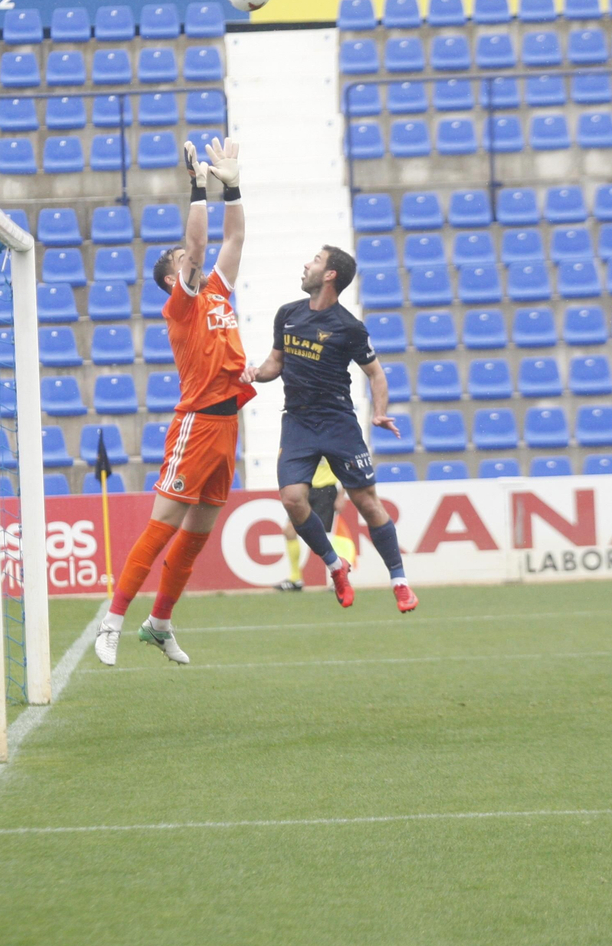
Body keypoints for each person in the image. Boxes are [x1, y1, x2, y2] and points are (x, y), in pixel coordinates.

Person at [94, 137, 253, 667]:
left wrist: (231, 186)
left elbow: (235, 236)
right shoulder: (182, 304)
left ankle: (159, 622)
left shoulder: (218, 292)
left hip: (227, 426)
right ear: (172, 277)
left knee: (196, 535)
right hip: (198, 423)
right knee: (162, 527)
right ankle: (112, 621)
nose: (194, 259)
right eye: (184, 260)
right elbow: (202, 244)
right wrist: (197, 185)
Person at [245, 246, 418, 613]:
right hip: (298, 421)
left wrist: (380, 413)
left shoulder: (349, 327)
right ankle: (335, 565)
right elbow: (275, 363)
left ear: (329, 276)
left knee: (366, 502)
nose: (306, 263)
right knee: (292, 499)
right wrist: (254, 374)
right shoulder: (288, 315)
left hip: (338, 422)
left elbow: (376, 373)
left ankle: (399, 581)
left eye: (316, 261)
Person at [275, 459, 355, 591]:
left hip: (325, 490)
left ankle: (340, 579)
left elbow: (345, 466)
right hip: (303, 490)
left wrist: (342, 495)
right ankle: (295, 579)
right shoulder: (302, 442)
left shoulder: (330, 441)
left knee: (327, 537)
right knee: (289, 531)